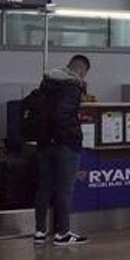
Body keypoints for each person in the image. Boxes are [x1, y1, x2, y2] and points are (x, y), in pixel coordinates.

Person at [32, 54, 90, 246]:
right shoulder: (72, 87)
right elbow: (63, 115)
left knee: (44, 187)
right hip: (65, 144)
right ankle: (62, 233)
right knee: (65, 189)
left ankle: (40, 232)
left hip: (44, 142)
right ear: (81, 71)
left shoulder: (47, 83)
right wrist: (73, 136)